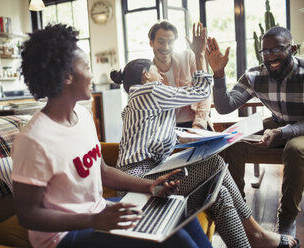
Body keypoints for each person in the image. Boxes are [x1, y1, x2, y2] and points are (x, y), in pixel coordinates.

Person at [11, 24, 213, 248]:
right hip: (64, 237)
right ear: (67, 77)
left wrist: (150, 186)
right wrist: (95, 220)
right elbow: (28, 215)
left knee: (179, 209)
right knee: (175, 238)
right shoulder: (33, 140)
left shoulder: (83, 117)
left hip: (97, 213)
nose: (92, 74)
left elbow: (102, 171)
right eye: (87, 67)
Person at [110, 58, 299, 248]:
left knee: (220, 193)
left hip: (153, 174)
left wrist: (194, 136)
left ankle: (250, 242)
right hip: (137, 182)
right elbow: (201, 92)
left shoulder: (141, 102)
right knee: (214, 163)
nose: (161, 75)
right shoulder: (148, 91)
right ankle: (258, 234)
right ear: (145, 75)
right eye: (156, 71)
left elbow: (156, 139)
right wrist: (199, 54)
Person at [206, 26, 304, 238]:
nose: (270, 56)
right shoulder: (255, 75)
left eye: (277, 49)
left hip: (302, 129)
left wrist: (281, 133)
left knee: (294, 149)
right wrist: (219, 73)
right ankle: (238, 211)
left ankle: (286, 219)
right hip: (278, 122)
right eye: (265, 51)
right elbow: (225, 106)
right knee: (232, 138)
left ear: (293, 48)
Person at [148, 20, 212, 130]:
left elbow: (205, 93)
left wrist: (198, 125)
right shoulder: (148, 73)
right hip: (165, 130)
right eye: (161, 42)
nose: (166, 47)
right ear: (151, 42)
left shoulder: (188, 57)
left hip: (195, 123)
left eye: (170, 42)